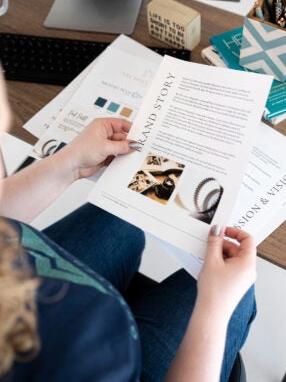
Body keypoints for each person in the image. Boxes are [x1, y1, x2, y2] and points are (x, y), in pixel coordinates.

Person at [0, 71, 257, 381]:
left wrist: (69, 165)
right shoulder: (69, 362)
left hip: (37, 286)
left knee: (117, 216)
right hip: (96, 359)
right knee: (237, 294)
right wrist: (215, 308)